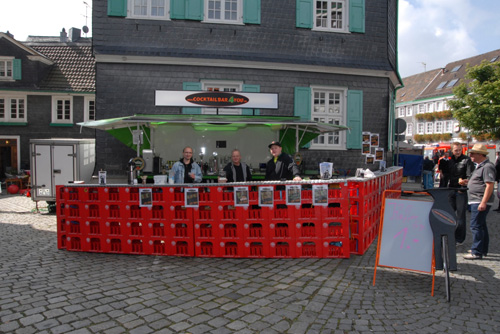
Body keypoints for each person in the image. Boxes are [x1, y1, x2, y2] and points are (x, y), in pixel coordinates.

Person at [462, 143, 496, 260]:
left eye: (472, 153)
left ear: (480, 154)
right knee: (481, 225)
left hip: (479, 200)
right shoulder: (480, 166)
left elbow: (489, 185)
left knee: (476, 226)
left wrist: (483, 202)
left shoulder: (487, 167)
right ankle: (481, 249)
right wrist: (468, 182)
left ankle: (477, 251)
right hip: (476, 199)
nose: (470, 155)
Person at [447, 142, 475, 245]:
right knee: (448, 213)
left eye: (459, 150)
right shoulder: (450, 160)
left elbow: (471, 176)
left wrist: (463, 184)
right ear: (452, 151)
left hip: (460, 191)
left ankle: (459, 239)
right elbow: (447, 175)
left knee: (460, 216)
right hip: (451, 190)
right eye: (456, 150)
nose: (458, 152)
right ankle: (449, 235)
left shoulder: (466, 160)